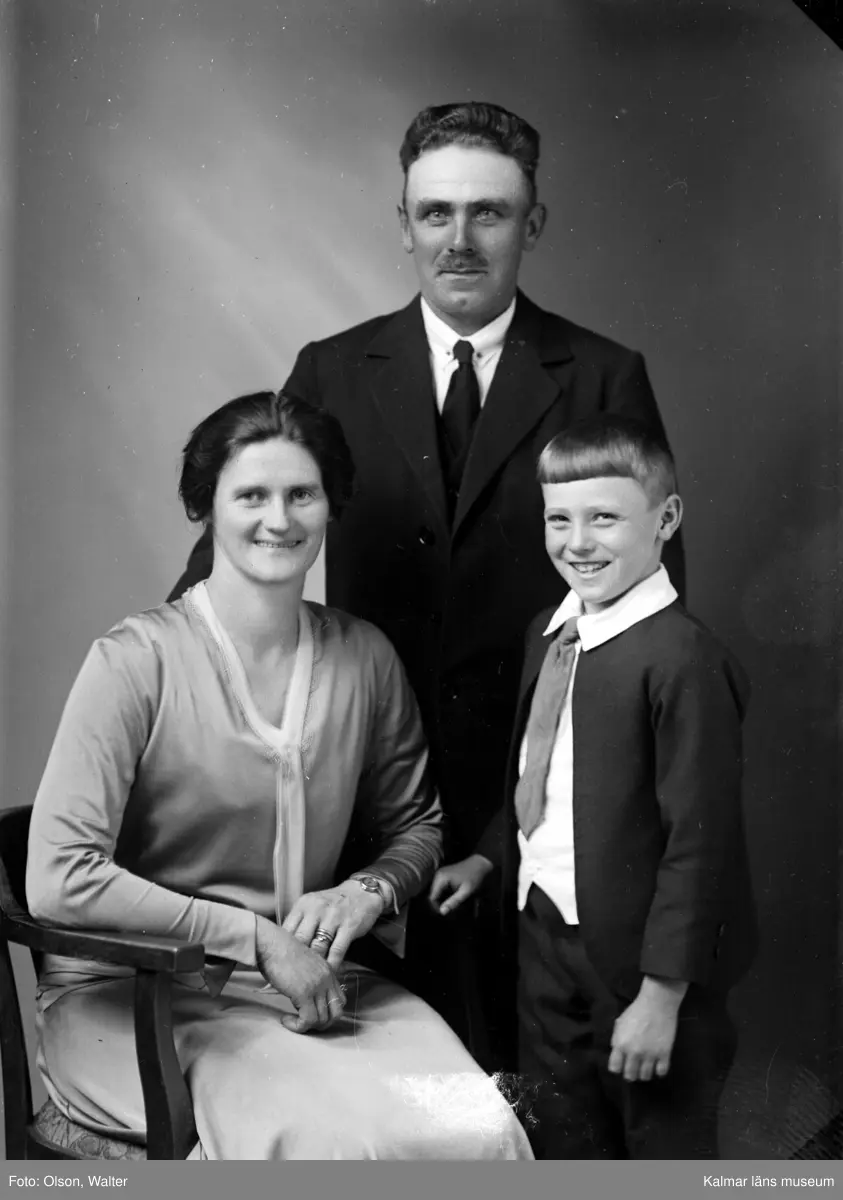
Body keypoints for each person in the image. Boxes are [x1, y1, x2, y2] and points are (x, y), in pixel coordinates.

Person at [168, 102, 684, 1064]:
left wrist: (528, 817)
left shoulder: (602, 377)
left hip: (535, 793)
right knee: (370, 1059)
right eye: (435, 212)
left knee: (526, 1073)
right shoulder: (332, 369)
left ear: (532, 224)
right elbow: (234, 550)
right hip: (358, 780)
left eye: (489, 212)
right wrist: (165, 680)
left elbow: (649, 618)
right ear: (402, 223)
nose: (459, 239)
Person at [25, 391, 533, 1161]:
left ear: (331, 506)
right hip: (132, 996)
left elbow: (418, 827)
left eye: (302, 494)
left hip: (306, 983)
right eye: (251, 496)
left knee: (478, 1130)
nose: (280, 519)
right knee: (324, 1147)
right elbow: (58, 877)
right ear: (206, 507)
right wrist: (256, 939)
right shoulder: (134, 662)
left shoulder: (364, 657)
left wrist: (365, 891)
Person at [454, 414, 756, 1158]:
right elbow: (542, 773)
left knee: (659, 1147)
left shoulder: (681, 661)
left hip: (642, 966)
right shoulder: (550, 633)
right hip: (543, 943)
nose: (578, 541)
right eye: (559, 519)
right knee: (560, 1138)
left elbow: (701, 844)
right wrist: (489, 855)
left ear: (666, 519)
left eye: (605, 518)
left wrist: (661, 995)